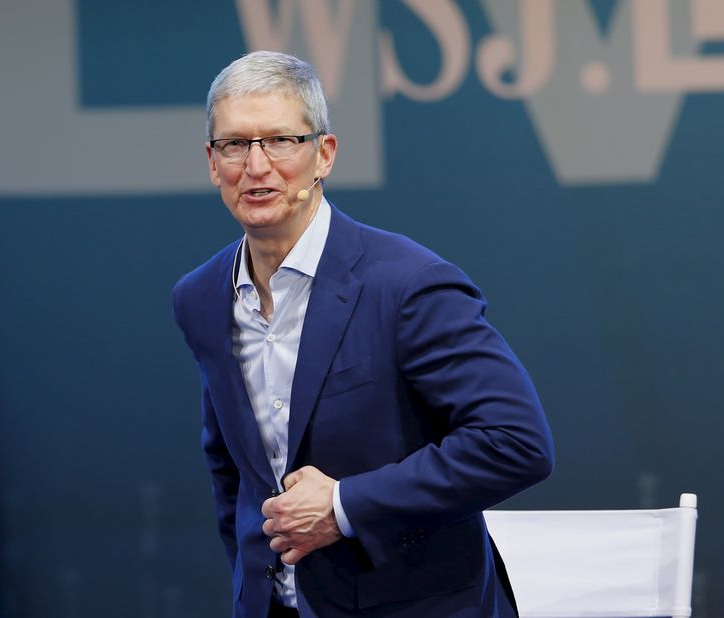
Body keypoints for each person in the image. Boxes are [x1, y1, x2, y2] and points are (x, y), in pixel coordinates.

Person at [172, 50, 554, 618]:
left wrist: (345, 504)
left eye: (281, 140)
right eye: (235, 145)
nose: (256, 166)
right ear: (211, 161)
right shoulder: (201, 296)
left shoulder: (407, 283)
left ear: (323, 154)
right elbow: (233, 473)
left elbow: (516, 443)